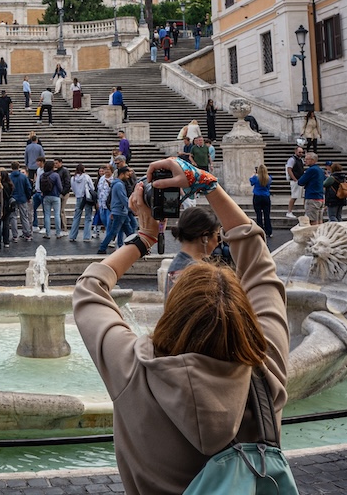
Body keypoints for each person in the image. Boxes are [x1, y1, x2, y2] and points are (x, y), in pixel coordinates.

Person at [73, 159, 287, 495]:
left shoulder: (132, 370)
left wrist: (144, 237)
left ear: (172, 312)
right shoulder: (267, 367)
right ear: (245, 316)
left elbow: (89, 286)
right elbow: (260, 264)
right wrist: (207, 183)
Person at [163, 206, 223, 299]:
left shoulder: (179, 265)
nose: (218, 241)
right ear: (205, 237)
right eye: (218, 236)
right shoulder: (196, 271)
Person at [97, 166, 130, 253]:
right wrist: (131, 208)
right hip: (120, 211)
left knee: (129, 231)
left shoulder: (116, 184)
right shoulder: (119, 185)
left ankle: (136, 247)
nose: (128, 177)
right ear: (122, 174)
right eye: (127, 175)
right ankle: (102, 248)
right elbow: (123, 198)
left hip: (120, 211)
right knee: (113, 232)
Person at [297, 152, 327, 225]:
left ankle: (313, 235)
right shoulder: (320, 170)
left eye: (307, 159)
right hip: (320, 197)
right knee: (319, 221)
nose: (305, 160)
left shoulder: (311, 170)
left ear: (313, 160)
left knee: (311, 221)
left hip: (312, 197)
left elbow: (301, 182)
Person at [68, 164, 95, 242]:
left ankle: (72, 235)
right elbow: (92, 187)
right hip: (87, 198)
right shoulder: (86, 177)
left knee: (76, 216)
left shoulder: (73, 178)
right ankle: (86, 236)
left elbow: (72, 188)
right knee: (88, 217)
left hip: (79, 197)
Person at [9, 162, 34, 241]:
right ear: (18, 167)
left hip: (13, 199)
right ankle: (27, 234)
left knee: (13, 217)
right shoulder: (23, 177)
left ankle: (14, 235)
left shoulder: (9, 177)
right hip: (23, 198)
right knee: (24, 216)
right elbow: (28, 188)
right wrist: (28, 197)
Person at [250, 164, 274, 238]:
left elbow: (251, 182)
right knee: (267, 215)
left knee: (259, 215)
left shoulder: (255, 178)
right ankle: (269, 231)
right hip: (266, 196)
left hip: (257, 196)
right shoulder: (269, 178)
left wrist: (254, 174)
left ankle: (260, 230)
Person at [284, 145, 306, 219]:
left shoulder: (300, 160)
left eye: (302, 152)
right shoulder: (292, 159)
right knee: (294, 196)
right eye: (299, 152)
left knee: (303, 196)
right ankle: (289, 211)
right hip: (295, 180)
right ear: (295, 151)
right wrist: (294, 179)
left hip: (301, 179)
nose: (301, 153)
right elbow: (289, 169)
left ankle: (306, 211)